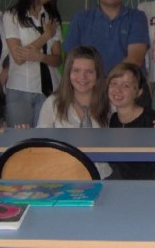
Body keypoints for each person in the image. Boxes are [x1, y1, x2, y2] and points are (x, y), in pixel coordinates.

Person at [37, 46, 111, 178]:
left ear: (98, 75)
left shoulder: (110, 102)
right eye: (76, 70)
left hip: (102, 176)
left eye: (89, 71)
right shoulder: (52, 103)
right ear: (68, 73)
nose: (82, 77)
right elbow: (41, 142)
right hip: (62, 176)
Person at [63, 0, 149, 76]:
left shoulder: (137, 17)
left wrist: (108, 82)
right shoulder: (80, 18)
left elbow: (135, 59)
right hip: (90, 84)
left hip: (126, 84)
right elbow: (71, 59)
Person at [3, 0, 63, 127]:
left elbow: (58, 59)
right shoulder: (12, 16)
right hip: (20, 88)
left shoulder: (52, 19)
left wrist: (41, 57)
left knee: (44, 137)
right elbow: (19, 58)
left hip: (50, 90)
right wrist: (46, 35)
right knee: (19, 138)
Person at [108, 62, 155, 179]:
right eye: (114, 83)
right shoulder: (114, 119)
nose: (118, 89)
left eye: (126, 85)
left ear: (138, 92)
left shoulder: (154, 121)